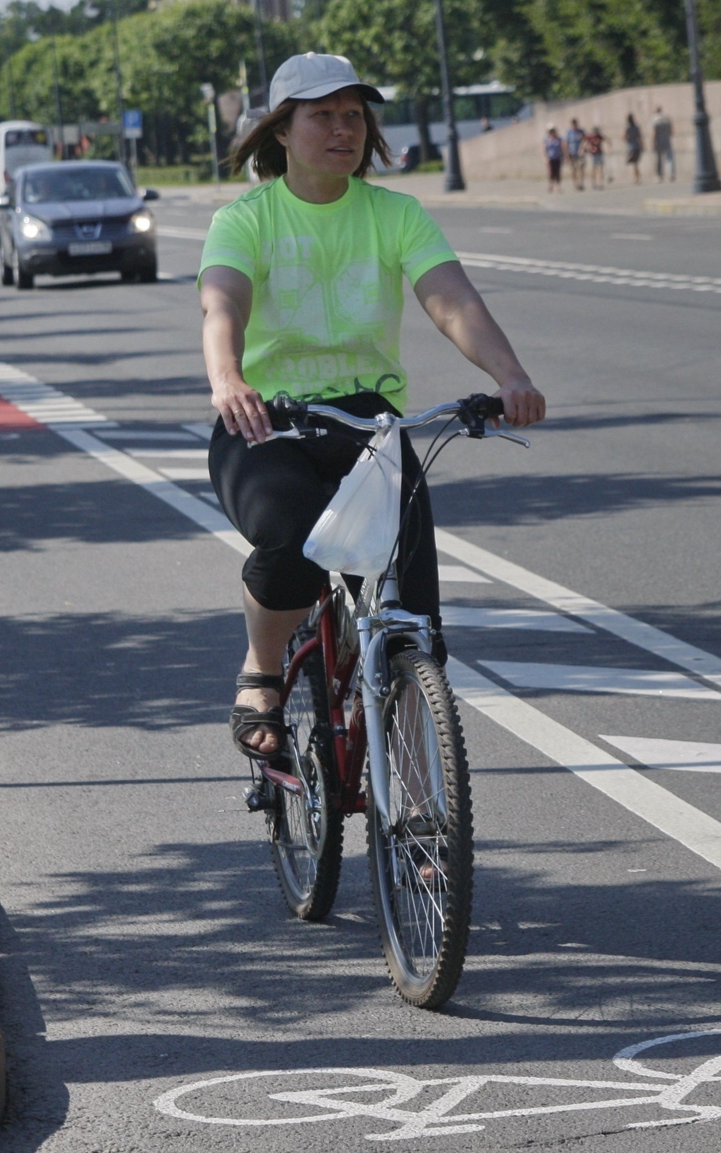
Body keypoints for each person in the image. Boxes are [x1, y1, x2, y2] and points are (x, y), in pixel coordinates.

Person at [196, 52, 546, 760]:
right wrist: (228, 377)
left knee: (413, 612)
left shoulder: (395, 214)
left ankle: (420, 795)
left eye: (353, 114)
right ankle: (262, 670)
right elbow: (222, 303)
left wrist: (511, 376)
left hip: (369, 422)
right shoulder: (245, 219)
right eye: (321, 114)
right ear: (282, 131)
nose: (342, 128)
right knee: (291, 540)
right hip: (267, 421)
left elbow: (453, 300)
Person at [651, 107, 674, 182]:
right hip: (666, 140)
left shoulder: (655, 119)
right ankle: (670, 174)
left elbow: (654, 133)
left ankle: (659, 176)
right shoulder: (666, 118)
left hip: (658, 142)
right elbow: (671, 130)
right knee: (669, 158)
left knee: (658, 159)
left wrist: (653, 142)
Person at [565, 118, 586, 190]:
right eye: (573, 124)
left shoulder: (581, 131)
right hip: (572, 153)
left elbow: (585, 141)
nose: (574, 125)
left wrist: (582, 149)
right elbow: (566, 143)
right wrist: (567, 153)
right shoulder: (569, 132)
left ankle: (581, 183)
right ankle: (575, 184)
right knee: (573, 169)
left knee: (581, 168)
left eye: (575, 124)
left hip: (580, 153)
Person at [543, 126, 564, 192]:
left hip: (557, 157)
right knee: (551, 172)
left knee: (558, 172)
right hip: (550, 158)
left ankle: (558, 186)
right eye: (551, 132)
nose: (552, 133)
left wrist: (563, 157)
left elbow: (562, 148)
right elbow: (544, 149)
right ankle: (550, 185)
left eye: (553, 131)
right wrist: (545, 158)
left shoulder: (558, 139)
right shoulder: (547, 140)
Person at [624, 113, 644, 184]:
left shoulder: (627, 127)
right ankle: (638, 178)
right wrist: (642, 145)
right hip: (637, 146)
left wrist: (628, 140)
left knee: (634, 164)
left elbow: (624, 136)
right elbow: (640, 136)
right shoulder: (636, 127)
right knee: (636, 163)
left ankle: (636, 178)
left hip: (631, 147)